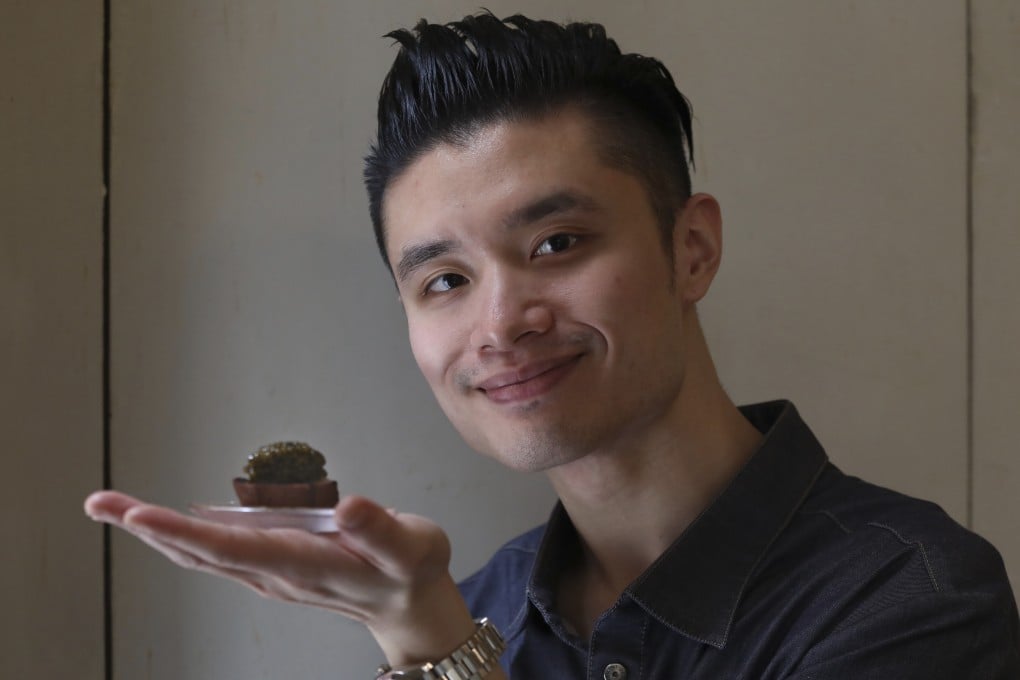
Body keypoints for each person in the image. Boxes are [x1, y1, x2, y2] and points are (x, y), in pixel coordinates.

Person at [85, 11, 1020, 679]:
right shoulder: (474, 597)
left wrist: (440, 654)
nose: (500, 324)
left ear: (690, 250)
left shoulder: (909, 596)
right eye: (444, 280)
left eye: (555, 245)